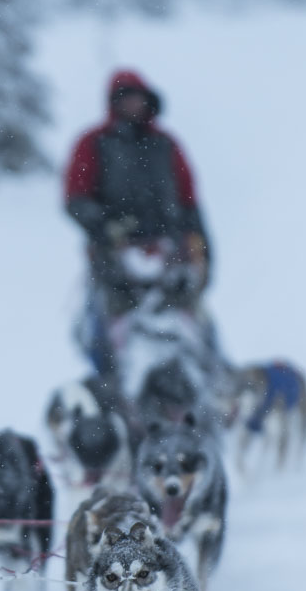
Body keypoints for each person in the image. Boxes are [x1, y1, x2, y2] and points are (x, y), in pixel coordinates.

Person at [64, 70, 212, 370]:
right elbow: (75, 198)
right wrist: (105, 225)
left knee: (192, 324)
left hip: (171, 255)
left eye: (138, 98)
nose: (133, 105)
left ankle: (210, 384)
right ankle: (112, 390)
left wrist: (203, 247)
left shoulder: (166, 145)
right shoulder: (93, 143)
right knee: (113, 330)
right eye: (126, 99)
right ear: (113, 103)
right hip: (115, 260)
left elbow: (188, 201)